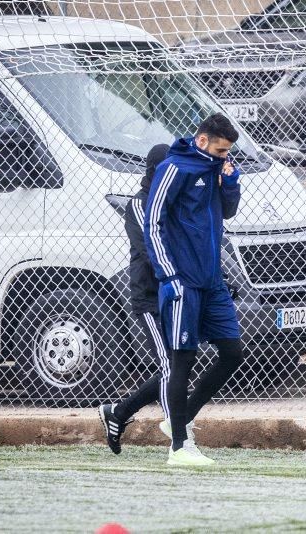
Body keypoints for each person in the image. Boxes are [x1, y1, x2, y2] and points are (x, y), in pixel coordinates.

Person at [144, 113, 244, 467]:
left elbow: (227, 213)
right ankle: (179, 449)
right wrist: (169, 275)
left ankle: (178, 419)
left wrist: (230, 184)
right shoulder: (174, 168)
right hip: (183, 282)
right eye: (220, 150)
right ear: (202, 141)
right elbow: (152, 223)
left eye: (228, 152)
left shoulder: (218, 168)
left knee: (233, 353)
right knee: (182, 360)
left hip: (213, 281)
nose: (225, 157)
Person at [98, 144, 172, 455]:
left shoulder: (173, 203)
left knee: (178, 367)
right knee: (170, 366)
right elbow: (152, 252)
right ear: (156, 173)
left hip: (175, 298)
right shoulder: (140, 205)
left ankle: (118, 413)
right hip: (150, 300)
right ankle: (180, 439)